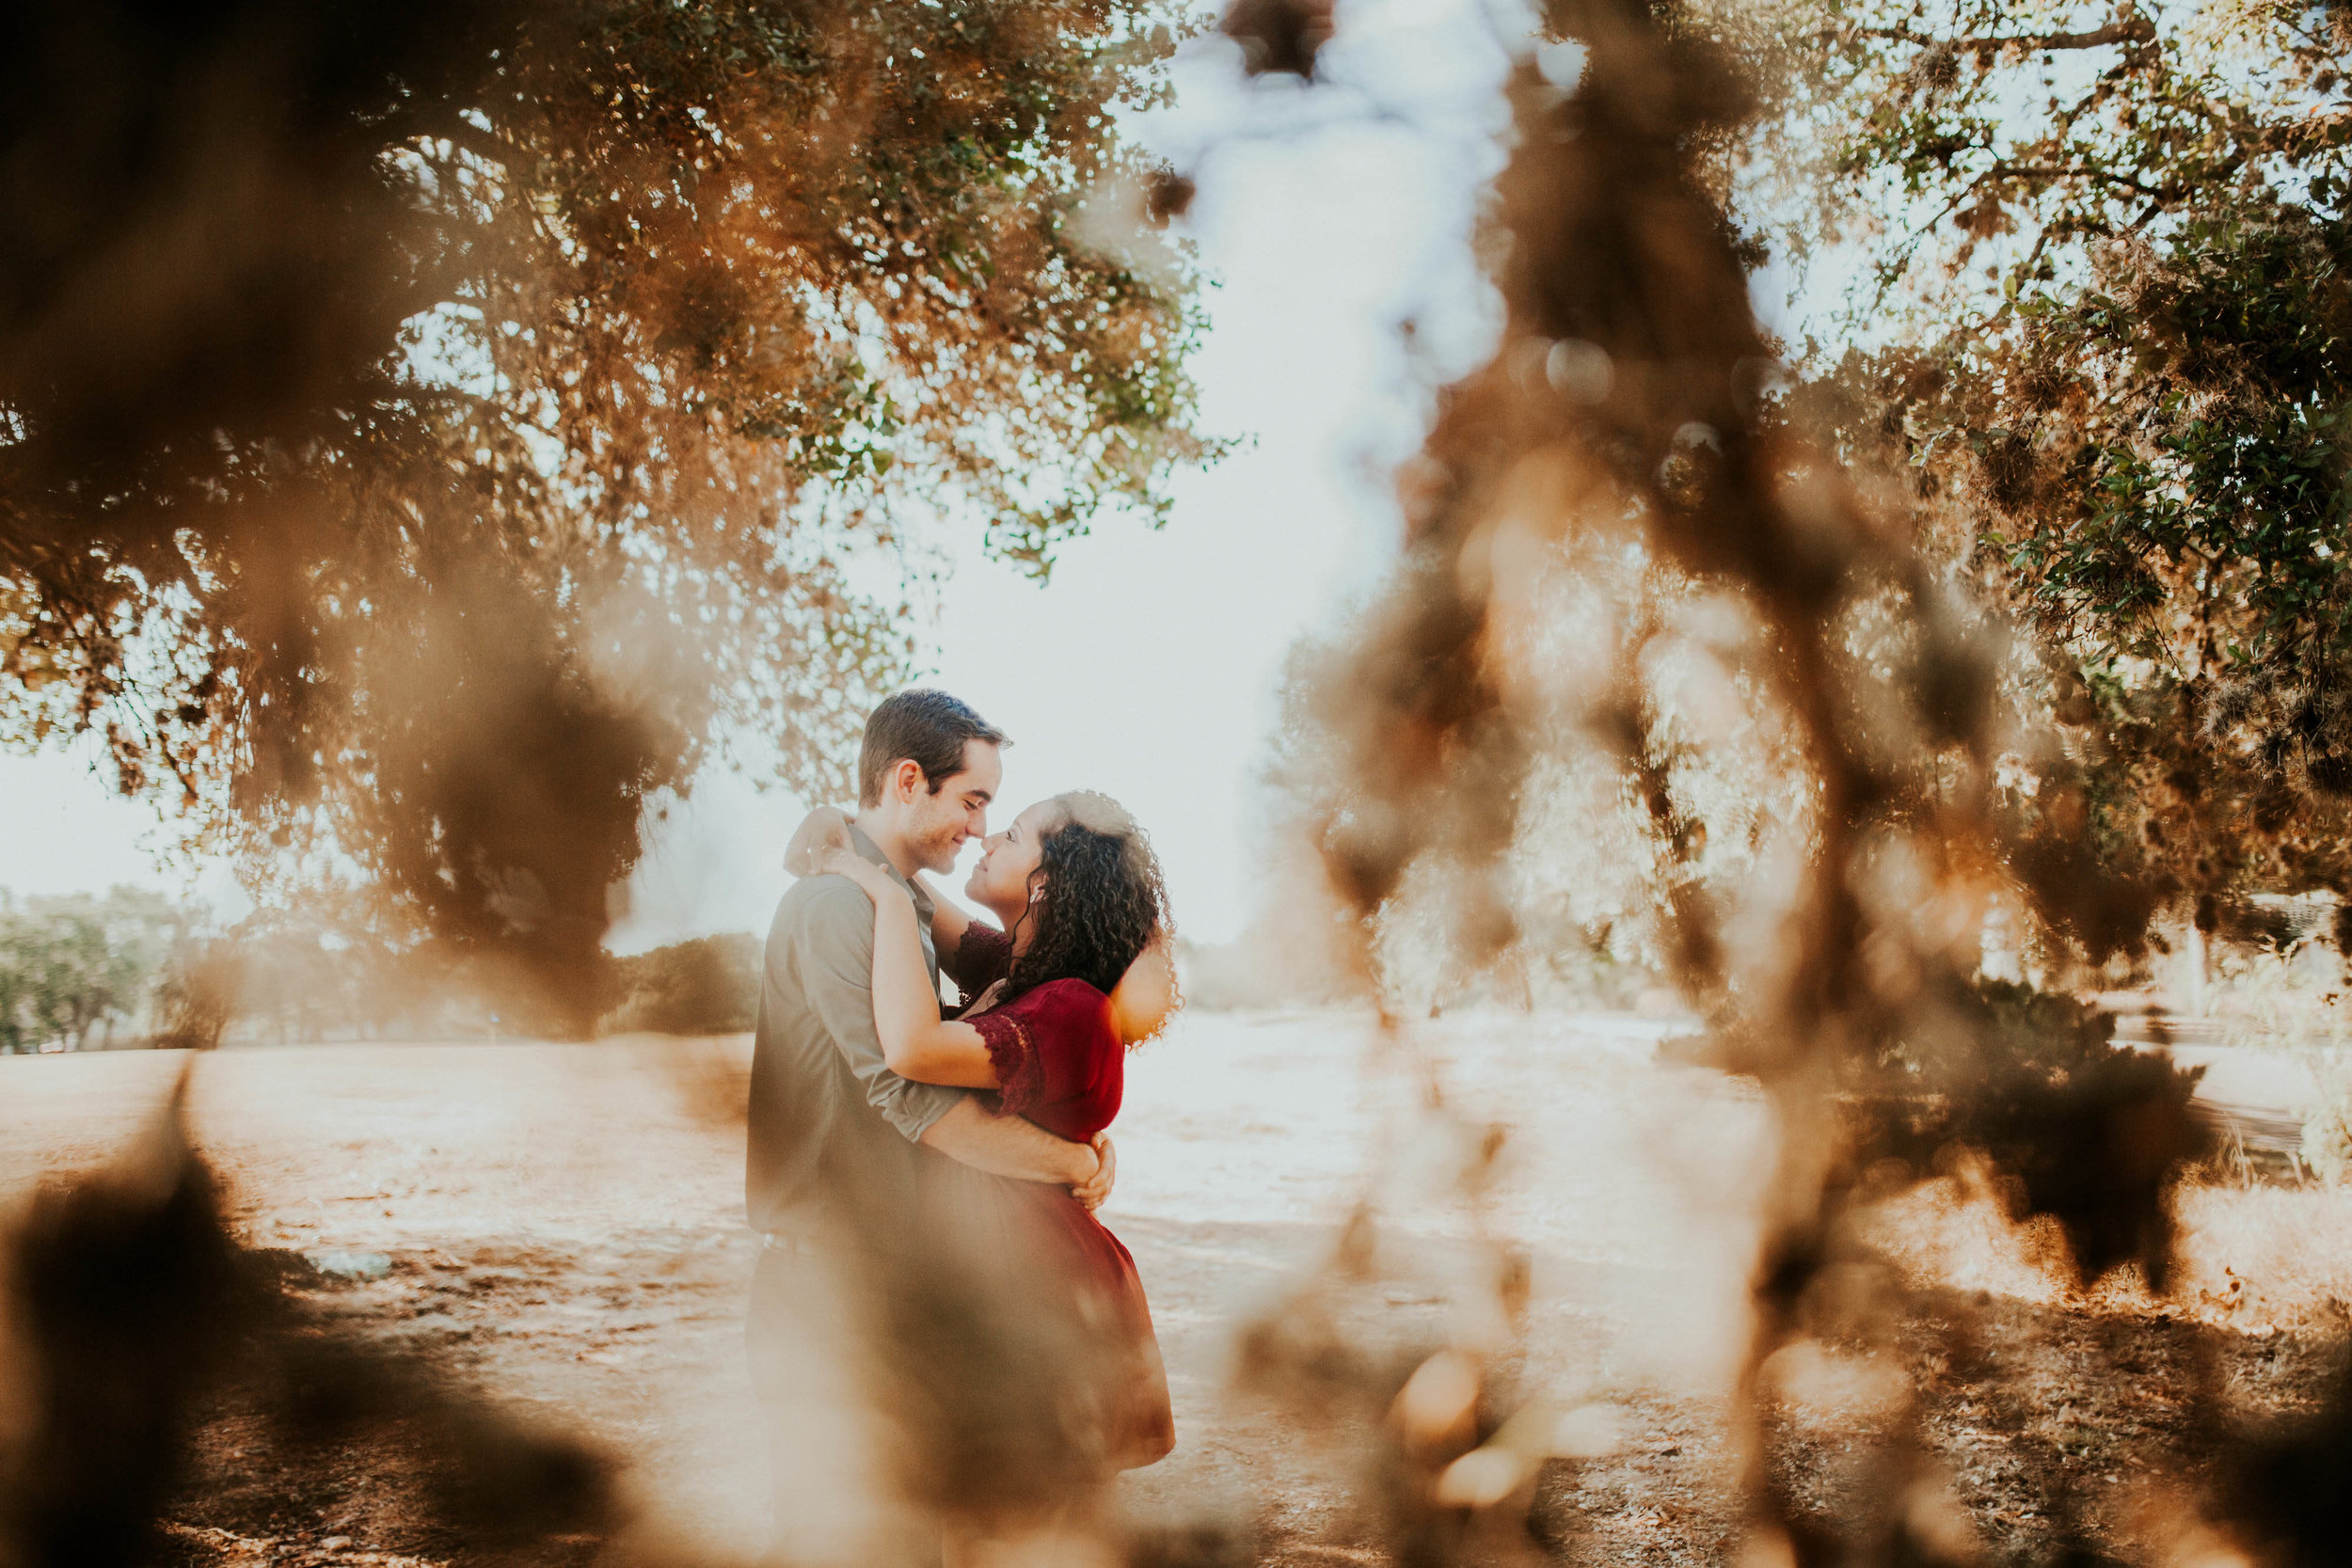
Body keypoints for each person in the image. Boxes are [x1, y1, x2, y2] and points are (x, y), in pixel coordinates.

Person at [743, 689, 1115, 1567]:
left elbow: (1010, 1003)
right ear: (909, 780)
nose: (978, 827)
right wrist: (1071, 1159)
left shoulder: (898, 905)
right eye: (972, 800)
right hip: (832, 1294)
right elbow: (915, 1102)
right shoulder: (840, 908)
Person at [785, 784, 1180, 1560]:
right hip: (1002, 1283)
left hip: (1044, 1296)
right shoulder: (1015, 971)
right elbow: (919, 888)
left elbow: (911, 1049)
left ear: (1047, 882)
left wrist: (873, 891)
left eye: (1011, 832)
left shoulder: (1067, 1005)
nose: (985, 839)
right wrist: (849, 833)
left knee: (1021, 1538)